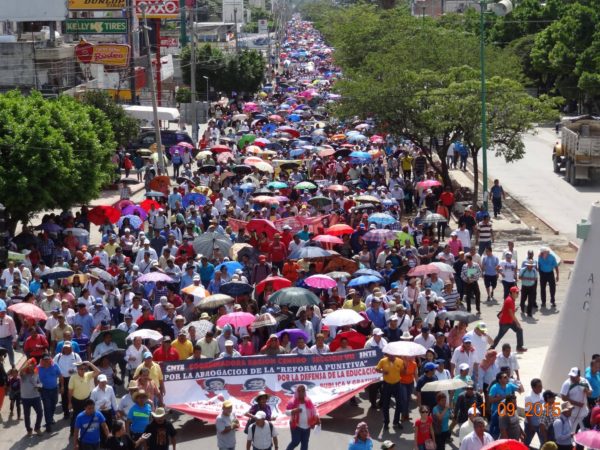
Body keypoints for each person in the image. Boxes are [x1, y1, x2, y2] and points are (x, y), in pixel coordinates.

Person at [69, 361, 101, 434]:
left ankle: (86, 429)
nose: (82, 370)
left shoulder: (88, 375)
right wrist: (69, 403)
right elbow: (70, 391)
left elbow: (98, 371)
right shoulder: (73, 377)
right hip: (76, 400)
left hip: (86, 399)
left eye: (84, 369)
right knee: (76, 416)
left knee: (87, 414)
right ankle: (73, 431)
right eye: (81, 369)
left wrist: (90, 364)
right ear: (77, 369)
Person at [491, 286, 527, 353]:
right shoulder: (509, 300)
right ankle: (491, 348)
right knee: (499, 336)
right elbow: (511, 314)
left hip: (510, 321)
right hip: (505, 322)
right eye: (517, 292)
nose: (518, 294)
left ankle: (519, 347)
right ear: (512, 293)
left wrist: (514, 310)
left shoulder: (511, 299)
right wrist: (517, 323)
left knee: (519, 330)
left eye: (518, 292)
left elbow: (509, 312)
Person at [285, 384, 320, 450]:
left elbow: (314, 411)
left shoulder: (308, 401)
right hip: (296, 426)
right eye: (299, 391)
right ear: (296, 392)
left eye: (303, 391)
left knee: (305, 443)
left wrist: (317, 418)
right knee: (295, 442)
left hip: (307, 427)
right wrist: (293, 411)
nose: (301, 393)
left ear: (305, 392)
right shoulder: (292, 402)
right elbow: (286, 412)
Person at [375, 352, 405, 429]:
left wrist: (405, 367)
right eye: (390, 355)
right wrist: (383, 372)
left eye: (393, 355)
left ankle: (396, 421)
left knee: (399, 403)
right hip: (386, 385)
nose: (391, 356)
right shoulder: (383, 361)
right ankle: (386, 422)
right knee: (385, 405)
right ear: (387, 355)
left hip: (397, 384)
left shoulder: (400, 361)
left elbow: (403, 372)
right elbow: (376, 369)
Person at [37, 353, 62, 433]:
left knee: (53, 404)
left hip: (54, 389)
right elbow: (34, 379)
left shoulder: (55, 366)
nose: (47, 361)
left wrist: (62, 387)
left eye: (48, 360)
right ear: (42, 360)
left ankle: (50, 418)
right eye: (45, 360)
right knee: (47, 407)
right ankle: (48, 424)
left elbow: (60, 376)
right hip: (44, 390)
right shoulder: (38, 368)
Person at [20, 357, 43, 435]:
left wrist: (39, 386)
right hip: (25, 398)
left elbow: (40, 383)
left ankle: (37, 428)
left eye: (34, 365)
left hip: (36, 396)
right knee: (27, 415)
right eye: (31, 365)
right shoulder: (23, 375)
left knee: (40, 412)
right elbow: (21, 370)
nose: (32, 367)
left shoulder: (36, 373)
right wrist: (27, 364)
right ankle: (29, 430)